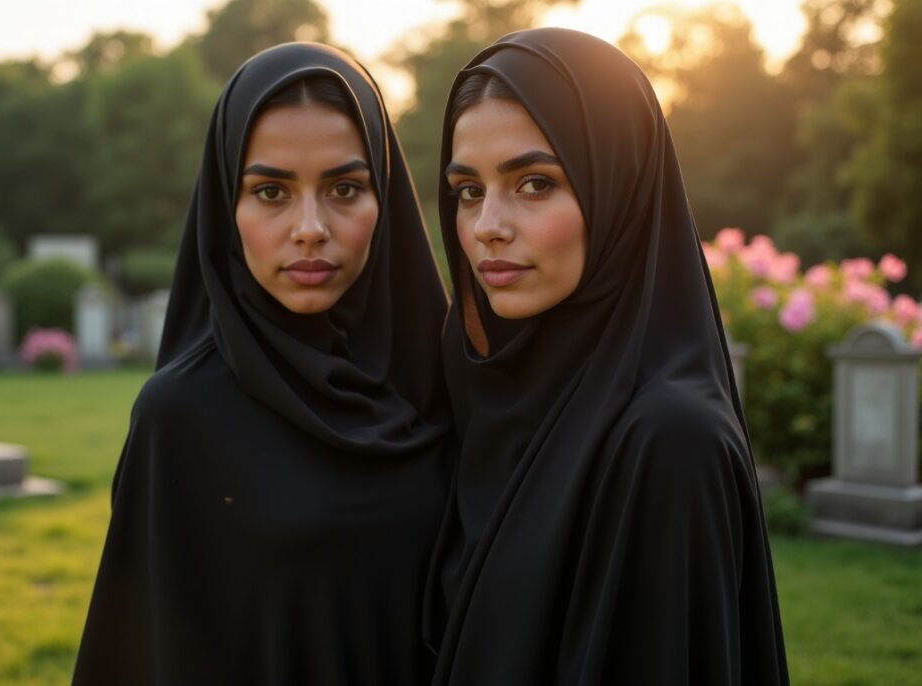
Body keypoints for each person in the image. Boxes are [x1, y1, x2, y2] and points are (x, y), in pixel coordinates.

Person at [73, 42, 451, 685]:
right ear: (228, 207)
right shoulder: (182, 417)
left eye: (345, 188)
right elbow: (146, 653)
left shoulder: (442, 384)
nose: (310, 227)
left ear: (384, 200)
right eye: (271, 190)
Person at [422, 28, 790, 684]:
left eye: (534, 183)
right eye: (468, 191)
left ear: (619, 191)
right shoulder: (490, 391)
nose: (487, 227)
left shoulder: (669, 442)